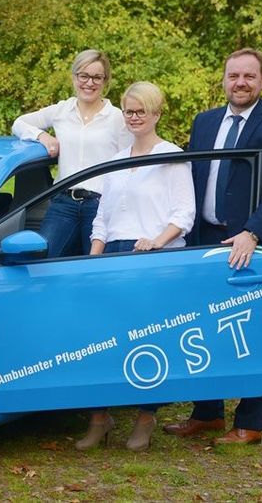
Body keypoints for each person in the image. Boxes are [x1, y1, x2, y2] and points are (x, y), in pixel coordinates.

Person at [163, 48, 262, 446]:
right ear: (223, 79)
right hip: (205, 240)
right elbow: (186, 178)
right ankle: (207, 414)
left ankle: (249, 424)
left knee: (252, 332)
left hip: (251, 245)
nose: (240, 83)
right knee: (204, 326)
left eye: (248, 76)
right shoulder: (205, 122)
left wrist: (253, 232)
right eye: (233, 76)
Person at [78, 82, 195, 452]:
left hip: (152, 255)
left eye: (141, 111)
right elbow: (103, 216)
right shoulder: (118, 159)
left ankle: (146, 419)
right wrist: (94, 257)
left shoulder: (171, 155)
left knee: (150, 339)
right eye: (129, 111)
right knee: (100, 338)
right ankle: (100, 418)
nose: (133, 117)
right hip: (112, 254)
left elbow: (184, 213)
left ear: (157, 113)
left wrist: (156, 242)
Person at [12, 50, 132, 257]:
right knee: (43, 259)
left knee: (95, 267)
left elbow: (127, 166)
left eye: (97, 77)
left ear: (105, 81)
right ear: (74, 77)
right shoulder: (61, 111)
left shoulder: (116, 118)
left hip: (100, 206)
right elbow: (18, 123)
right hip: (63, 203)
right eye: (83, 75)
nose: (89, 83)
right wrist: (42, 135)